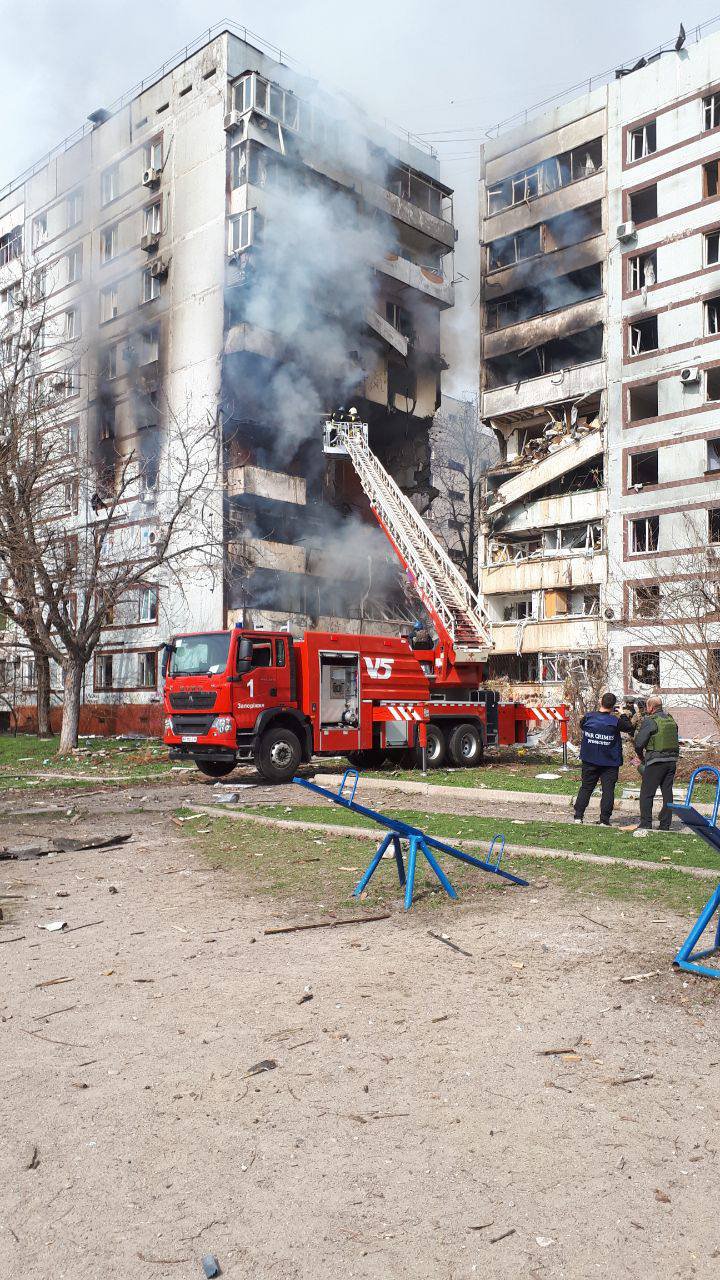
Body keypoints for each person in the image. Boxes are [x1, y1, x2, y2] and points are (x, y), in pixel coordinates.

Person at [573, 692, 635, 825]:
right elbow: (629, 727)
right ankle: (604, 820)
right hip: (609, 762)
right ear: (613, 706)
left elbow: (582, 725)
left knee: (586, 788)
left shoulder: (588, 717)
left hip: (589, 760)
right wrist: (623, 714)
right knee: (608, 790)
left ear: (601, 702)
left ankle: (578, 816)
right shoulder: (615, 721)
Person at [633, 696, 680, 831]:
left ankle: (646, 823)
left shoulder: (650, 721)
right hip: (671, 761)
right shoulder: (671, 720)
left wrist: (641, 756)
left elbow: (639, 743)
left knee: (647, 793)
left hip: (655, 761)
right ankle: (665, 824)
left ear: (651, 708)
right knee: (667, 792)